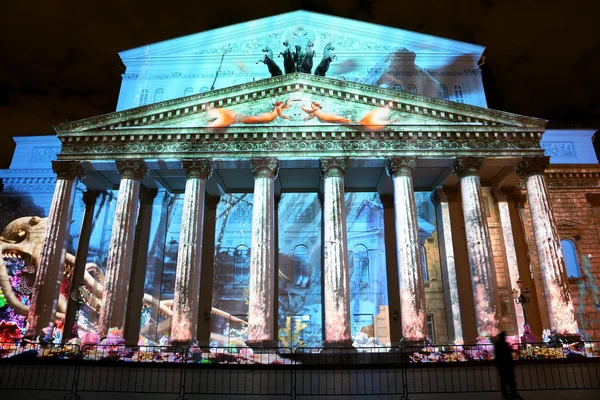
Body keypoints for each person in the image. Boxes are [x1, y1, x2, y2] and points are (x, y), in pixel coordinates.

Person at [494, 331, 521, 399]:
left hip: (503, 365)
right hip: (507, 364)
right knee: (510, 380)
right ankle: (512, 393)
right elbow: (507, 355)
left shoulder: (498, 344)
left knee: (504, 380)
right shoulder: (504, 344)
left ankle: (506, 393)